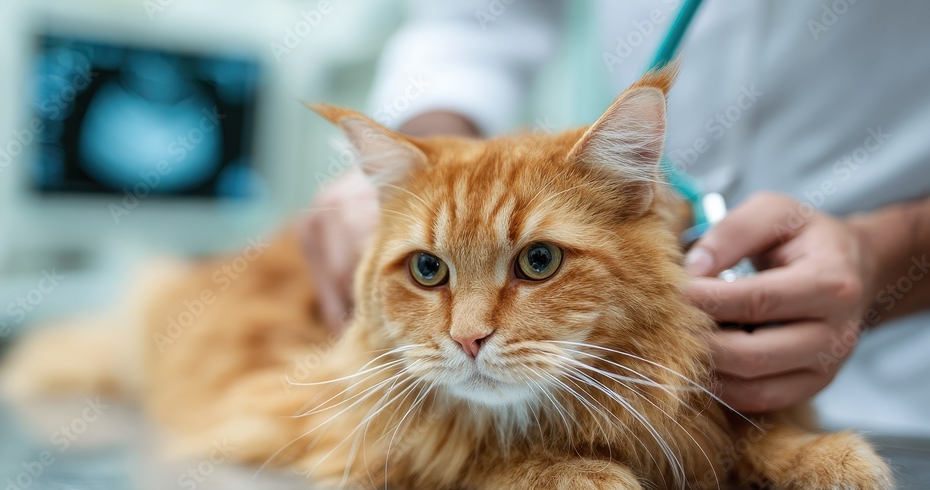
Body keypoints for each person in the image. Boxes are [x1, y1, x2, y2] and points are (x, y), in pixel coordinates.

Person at [299, 1, 930, 435]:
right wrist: (422, 180)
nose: (470, 332)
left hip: (908, 382)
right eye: (430, 270)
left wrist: (891, 255)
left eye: (536, 261)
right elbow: (474, 25)